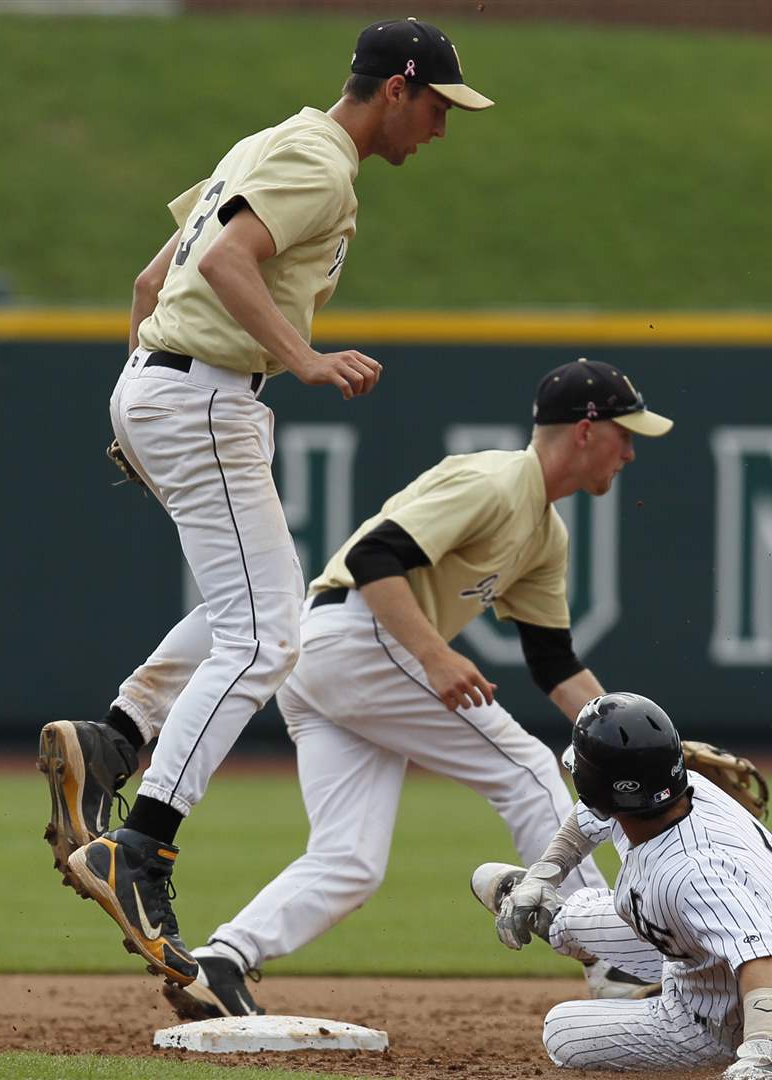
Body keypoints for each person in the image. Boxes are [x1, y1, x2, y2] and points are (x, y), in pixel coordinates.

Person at [37, 17, 494, 988]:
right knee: (264, 639)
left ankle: (118, 734)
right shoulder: (320, 164)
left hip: (169, 385)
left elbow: (151, 276)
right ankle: (141, 844)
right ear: (397, 90)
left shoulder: (268, 140)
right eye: (440, 106)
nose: (444, 129)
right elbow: (221, 264)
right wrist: (307, 359)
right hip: (204, 394)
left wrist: (139, 391)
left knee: (264, 606)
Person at [155, 358, 674, 1019]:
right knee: (526, 769)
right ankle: (616, 958)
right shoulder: (497, 480)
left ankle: (221, 960)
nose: (631, 451)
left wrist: (643, 744)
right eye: (625, 434)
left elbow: (555, 665)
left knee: (350, 860)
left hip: (330, 663)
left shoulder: (545, 532)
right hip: (357, 638)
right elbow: (374, 555)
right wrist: (433, 656)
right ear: (585, 430)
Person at [470, 692, 772, 1078]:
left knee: (561, 1031)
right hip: (729, 956)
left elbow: (766, 960)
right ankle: (553, 915)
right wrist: (544, 874)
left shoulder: (695, 874)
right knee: (592, 915)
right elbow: (587, 820)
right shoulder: (676, 792)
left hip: (737, 1018)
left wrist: (760, 1054)